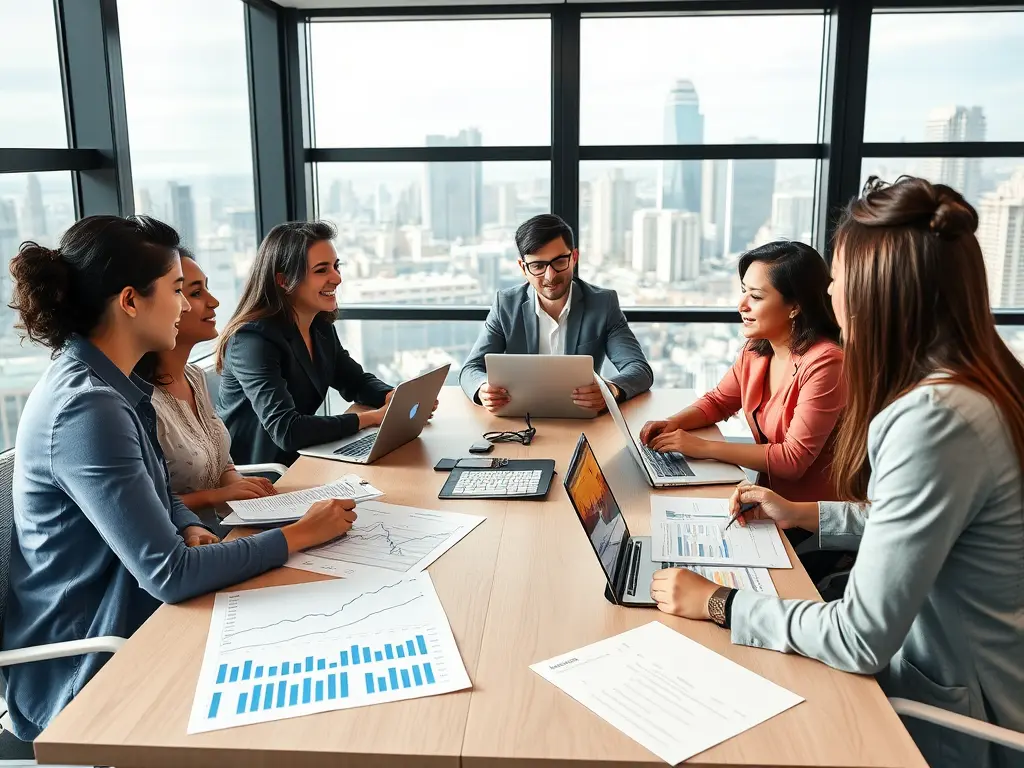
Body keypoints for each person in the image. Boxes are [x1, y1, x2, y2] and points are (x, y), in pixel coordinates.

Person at [649, 177, 1024, 768]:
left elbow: (859, 638)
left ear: (877, 293)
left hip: (955, 719)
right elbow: (919, 519)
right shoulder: (979, 382)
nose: (831, 292)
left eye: (837, 278)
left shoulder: (934, 417)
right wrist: (803, 513)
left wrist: (720, 603)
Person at [3, 215, 361, 742]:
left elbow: (157, 490)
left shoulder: (116, 385)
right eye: (177, 290)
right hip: (94, 659)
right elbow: (169, 575)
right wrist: (300, 534)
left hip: (140, 612)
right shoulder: (87, 409)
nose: (186, 306)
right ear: (130, 301)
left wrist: (187, 523)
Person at [640, 240, 843, 504]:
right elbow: (719, 401)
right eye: (744, 291)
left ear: (795, 306)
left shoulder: (826, 363)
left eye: (756, 297)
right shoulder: (756, 350)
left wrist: (701, 447)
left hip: (812, 515)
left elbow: (793, 460)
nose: (741, 305)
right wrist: (674, 423)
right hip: (768, 501)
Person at [216, 221, 396, 466]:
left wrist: (391, 396)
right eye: (321, 270)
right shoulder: (252, 341)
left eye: (336, 266)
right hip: (265, 475)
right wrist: (371, 419)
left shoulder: (319, 326)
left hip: (304, 459)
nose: (337, 278)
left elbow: (354, 381)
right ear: (284, 280)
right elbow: (286, 430)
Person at [135, 248, 276, 525]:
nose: (214, 302)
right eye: (195, 293)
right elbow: (143, 507)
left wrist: (242, 487)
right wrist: (217, 495)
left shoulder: (195, 377)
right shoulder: (140, 400)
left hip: (223, 528)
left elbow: (221, 462)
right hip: (183, 539)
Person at [459, 214, 653, 413]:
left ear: (574, 258)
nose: (550, 276)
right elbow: (470, 369)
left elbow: (639, 369)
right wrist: (483, 389)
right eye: (538, 266)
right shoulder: (506, 305)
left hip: (582, 419)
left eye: (559, 261)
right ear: (523, 268)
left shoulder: (603, 304)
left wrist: (610, 390)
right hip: (521, 419)